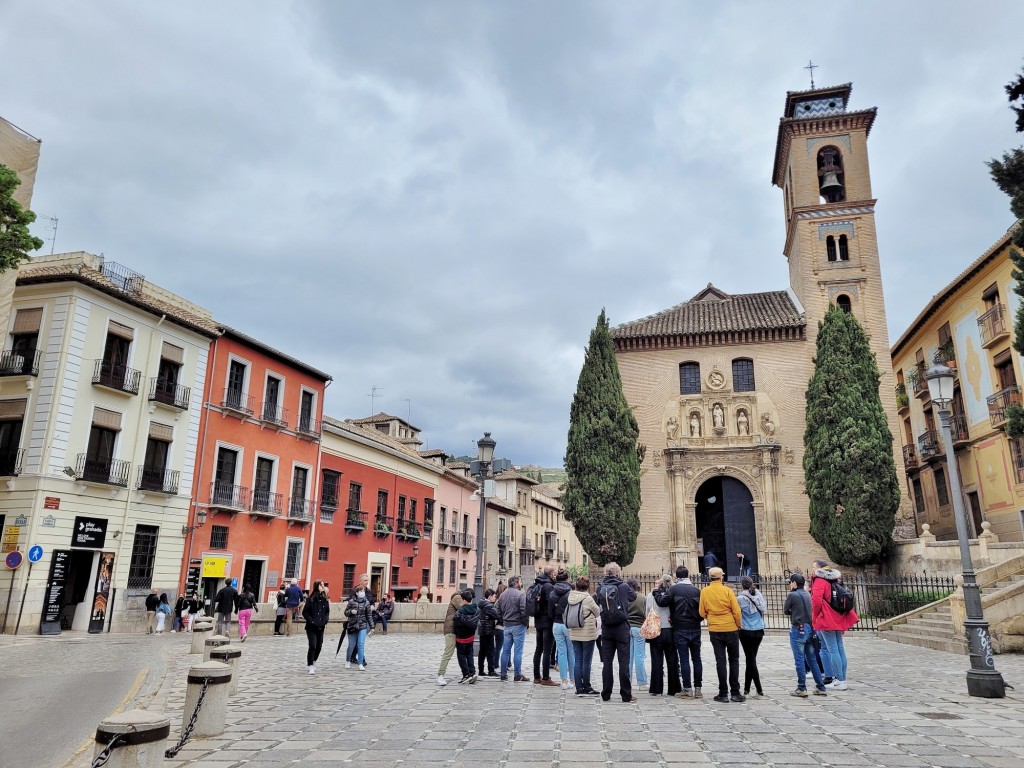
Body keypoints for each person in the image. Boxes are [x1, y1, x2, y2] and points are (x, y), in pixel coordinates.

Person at [654, 565, 703, 698]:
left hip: (680, 628)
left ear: (677, 576)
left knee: (684, 659)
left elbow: (662, 602)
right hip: (695, 628)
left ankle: (687, 688)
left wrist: (656, 592)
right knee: (697, 658)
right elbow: (702, 611)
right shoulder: (696, 590)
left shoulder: (675, 589)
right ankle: (698, 689)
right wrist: (697, 619)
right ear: (688, 575)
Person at [810, 560, 859, 691]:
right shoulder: (834, 579)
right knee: (839, 648)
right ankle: (842, 678)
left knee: (832, 649)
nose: (812, 570)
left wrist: (814, 617)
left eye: (814, 567)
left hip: (827, 618)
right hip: (837, 616)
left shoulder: (819, 581)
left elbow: (816, 601)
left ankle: (839, 680)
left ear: (819, 569)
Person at [698, 566, 743, 703]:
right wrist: (737, 624)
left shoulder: (705, 591)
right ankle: (735, 693)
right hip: (731, 628)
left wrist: (711, 618)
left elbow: (701, 611)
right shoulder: (727, 591)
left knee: (720, 661)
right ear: (721, 577)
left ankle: (723, 693)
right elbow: (736, 611)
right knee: (734, 660)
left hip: (715, 630)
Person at [598, 562, 637, 703]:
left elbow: (598, 602)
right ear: (618, 572)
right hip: (622, 628)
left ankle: (606, 693)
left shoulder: (601, 587)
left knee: (607, 663)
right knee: (623, 663)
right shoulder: (624, 586)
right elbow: (633, 597)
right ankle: (626, 694)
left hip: (607, 629)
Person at [784, 573, 827, 697]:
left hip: (798, 629)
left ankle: (802, 687)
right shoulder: (808, 594)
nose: (789, 584)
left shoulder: (792, 595)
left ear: (794, 583)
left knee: (799, 660)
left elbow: (786, 611)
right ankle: (820, 687)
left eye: (790, 582)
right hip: (810, 628)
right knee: (812, 659)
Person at [646, 574, 681, 697]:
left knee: (656, 660)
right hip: (670, 629)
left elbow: (648, 612)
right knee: (672, 659)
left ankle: (656, 688)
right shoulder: (672, 595)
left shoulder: (651, 595)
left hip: (656, 629)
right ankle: (674, 688)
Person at [567, 575, 600, 697]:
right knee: (586, 661)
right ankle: (587, 687)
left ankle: (578, 688)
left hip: (575, 632)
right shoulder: (588, 598)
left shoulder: (570, 597)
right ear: (588, 586)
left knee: (577, 660)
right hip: (587, 633)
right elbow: (597, 612)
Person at [737, 575, 766, 698]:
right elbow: (765, 609)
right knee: (751, 659)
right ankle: (747, 689)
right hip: (759, 630)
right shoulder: (759, 595)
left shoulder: (740, 598)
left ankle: (759, 689)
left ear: (742, 585)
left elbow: (737, 614)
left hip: (746, 631)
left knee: (750, 660)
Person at [497, 575, 529, 682]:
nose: (520, 584)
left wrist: (503, 621)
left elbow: (498, 611)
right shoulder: (521, 594)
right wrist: (526, 623)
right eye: (519, 582)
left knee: (505, 651)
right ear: (516, 583)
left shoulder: (502, 595)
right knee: (518, 652)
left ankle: (503, 674)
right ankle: (517, 675)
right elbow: (524, 611)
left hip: (507, 626)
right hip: (518, 625)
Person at [531, 565, 558, 686]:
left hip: (538, 620)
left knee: (538, 649)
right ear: (551, 574)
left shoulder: (537, 583)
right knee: (547, 650)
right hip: (547, 621)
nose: (556, 575)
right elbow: (551, 603)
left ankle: (537, 676)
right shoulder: (548, 586)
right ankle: (546, 678)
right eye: (555, 573)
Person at [550, 570, 575, 690]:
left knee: (561, 652)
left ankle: (564, 681)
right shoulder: (571, 592)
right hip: (568, 624)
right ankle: (573, 679)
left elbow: (550, 612)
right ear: (567, 579)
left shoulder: (552, 591)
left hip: (556, 623)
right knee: (571, 652)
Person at [436, 590, 465, 685]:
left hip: (455, 630)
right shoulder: (457, 597)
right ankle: (440, 675)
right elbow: (463, 609)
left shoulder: (457, 597)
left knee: (462, 652)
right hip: (450, 630)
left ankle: (467, 673)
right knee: (448, 652)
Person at [626, 577, 649, 692]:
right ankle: (642, 683)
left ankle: (627, 681)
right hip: (639, 627)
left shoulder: (625, 597)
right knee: (639, 656)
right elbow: (647, 613)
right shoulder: (643, 598)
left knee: (628, 657)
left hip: (627, 627)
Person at [303, 580, 330, 674]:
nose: (323, 586)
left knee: (319, 646)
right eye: (321, 585)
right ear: (316, 586)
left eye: (323, 585)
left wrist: (325, 620)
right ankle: (310, 665)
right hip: (311, 627)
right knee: (312, 645)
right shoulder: (311, 599)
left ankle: (314, 661)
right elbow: (305, 612)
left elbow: (327, 612)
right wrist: (311, 620)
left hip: (321, 626)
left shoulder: (325, 599)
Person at [453, 589, 481, 684]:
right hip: (471, 637)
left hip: (461, 638)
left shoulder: (460, 611)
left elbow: (455, 622)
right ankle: (472, 672)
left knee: (461, 656)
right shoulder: (476, 609)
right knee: (470, 655)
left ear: (464, 600)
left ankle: (465, 674)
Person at [345, 580, 373, 669]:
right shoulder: (351, 602)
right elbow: (345, 612)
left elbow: (369, 615)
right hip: (352, 625)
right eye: (361, 591)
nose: (362, 593)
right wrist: (351, 611)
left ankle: (360, 663)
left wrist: (372, 627)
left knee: (361, 644)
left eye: (363, 591)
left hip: (362, 625)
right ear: (357, 593)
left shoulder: (367, 603)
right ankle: (348, 660)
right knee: (351, 645)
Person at [477, 588, 500, 677]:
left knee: (482, 651)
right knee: (491, 650)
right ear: (489, 596)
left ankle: (481, 670)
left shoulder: (481, 603)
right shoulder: (489, 605)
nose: (495, 598)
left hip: (482, 630)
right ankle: (491, 670)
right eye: (494, 597)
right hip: (488, 630)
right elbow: (497, 615)